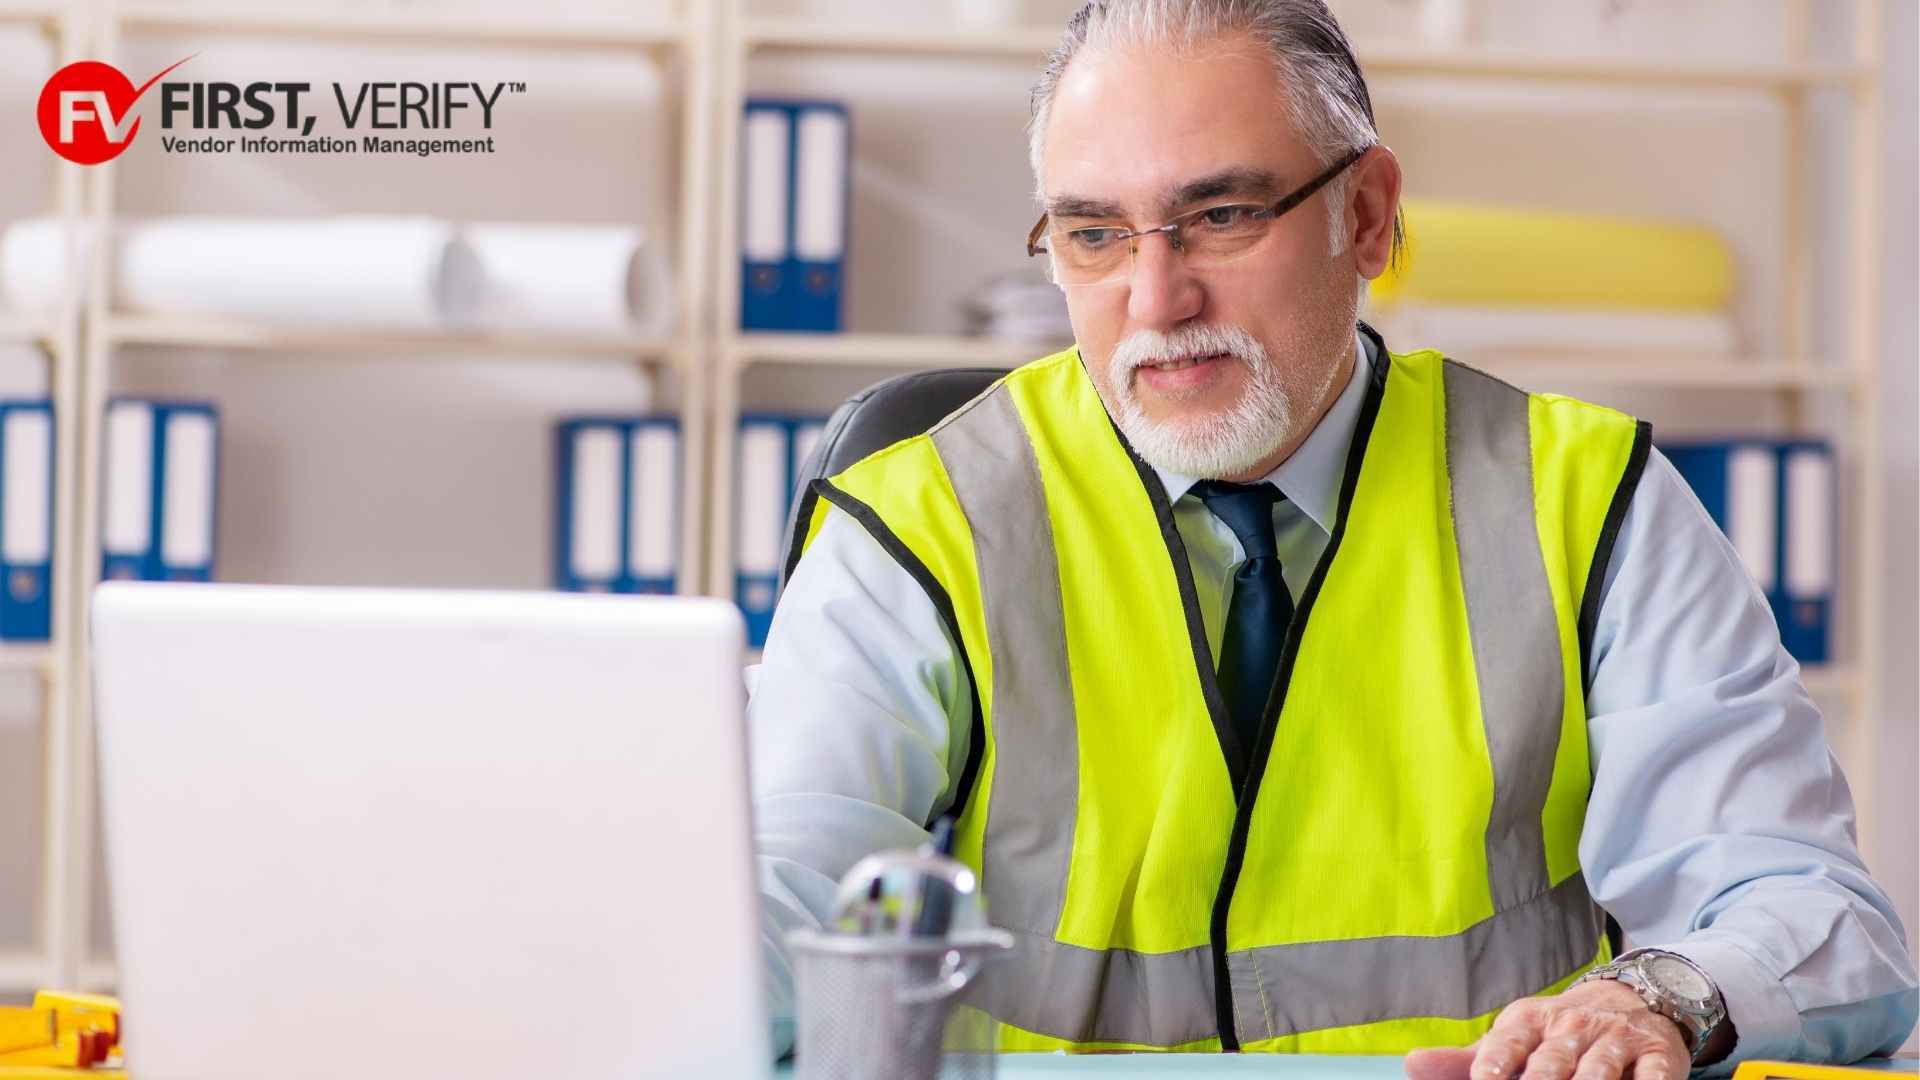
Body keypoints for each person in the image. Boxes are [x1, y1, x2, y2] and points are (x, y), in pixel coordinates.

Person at [746, 1, 1919, 1075]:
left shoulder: (1586, 500)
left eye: (1219, 217)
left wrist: (1657, 999)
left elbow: (1814, 915)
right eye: (1094, 235)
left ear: (1365, 216)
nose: (1156, 299)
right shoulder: (919, 523)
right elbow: (777, 885)